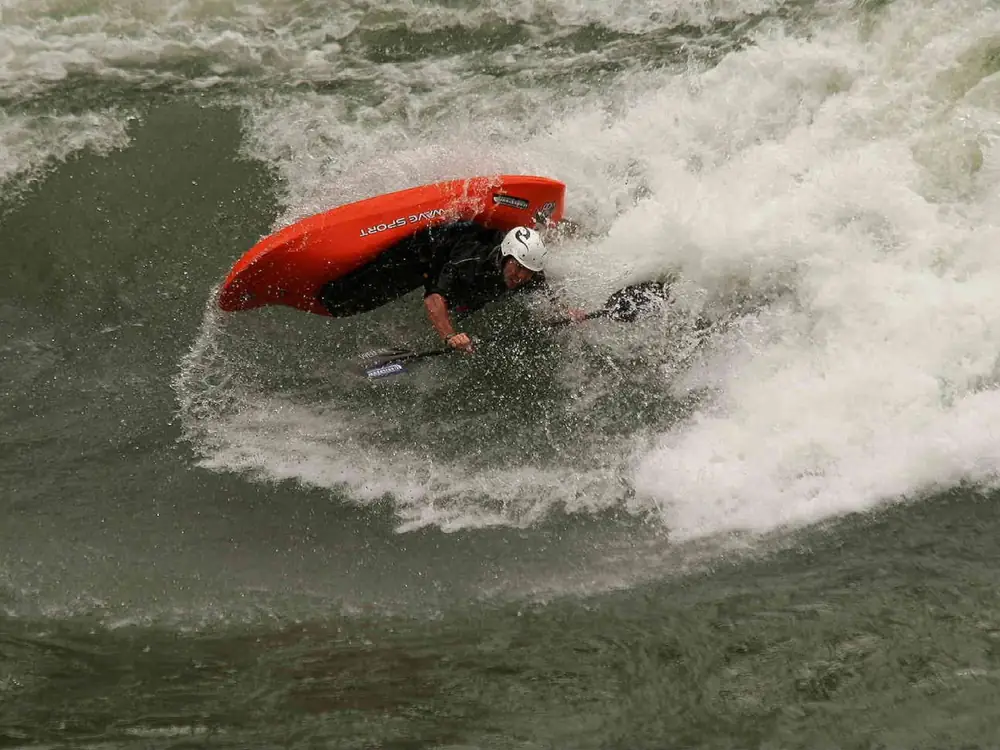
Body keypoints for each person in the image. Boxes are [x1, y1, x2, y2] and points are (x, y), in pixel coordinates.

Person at [319, 221, 585, 352]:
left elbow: (546, 294)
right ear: (505, 256)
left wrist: (566, 311)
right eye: (518, 268)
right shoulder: (470, 260)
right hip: (425, 254)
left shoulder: (529, 272)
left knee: (466, 305)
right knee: (341, 297)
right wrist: (449, 336)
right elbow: (434, 298)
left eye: (528, 272)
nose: (522, 277)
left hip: (471, 293)